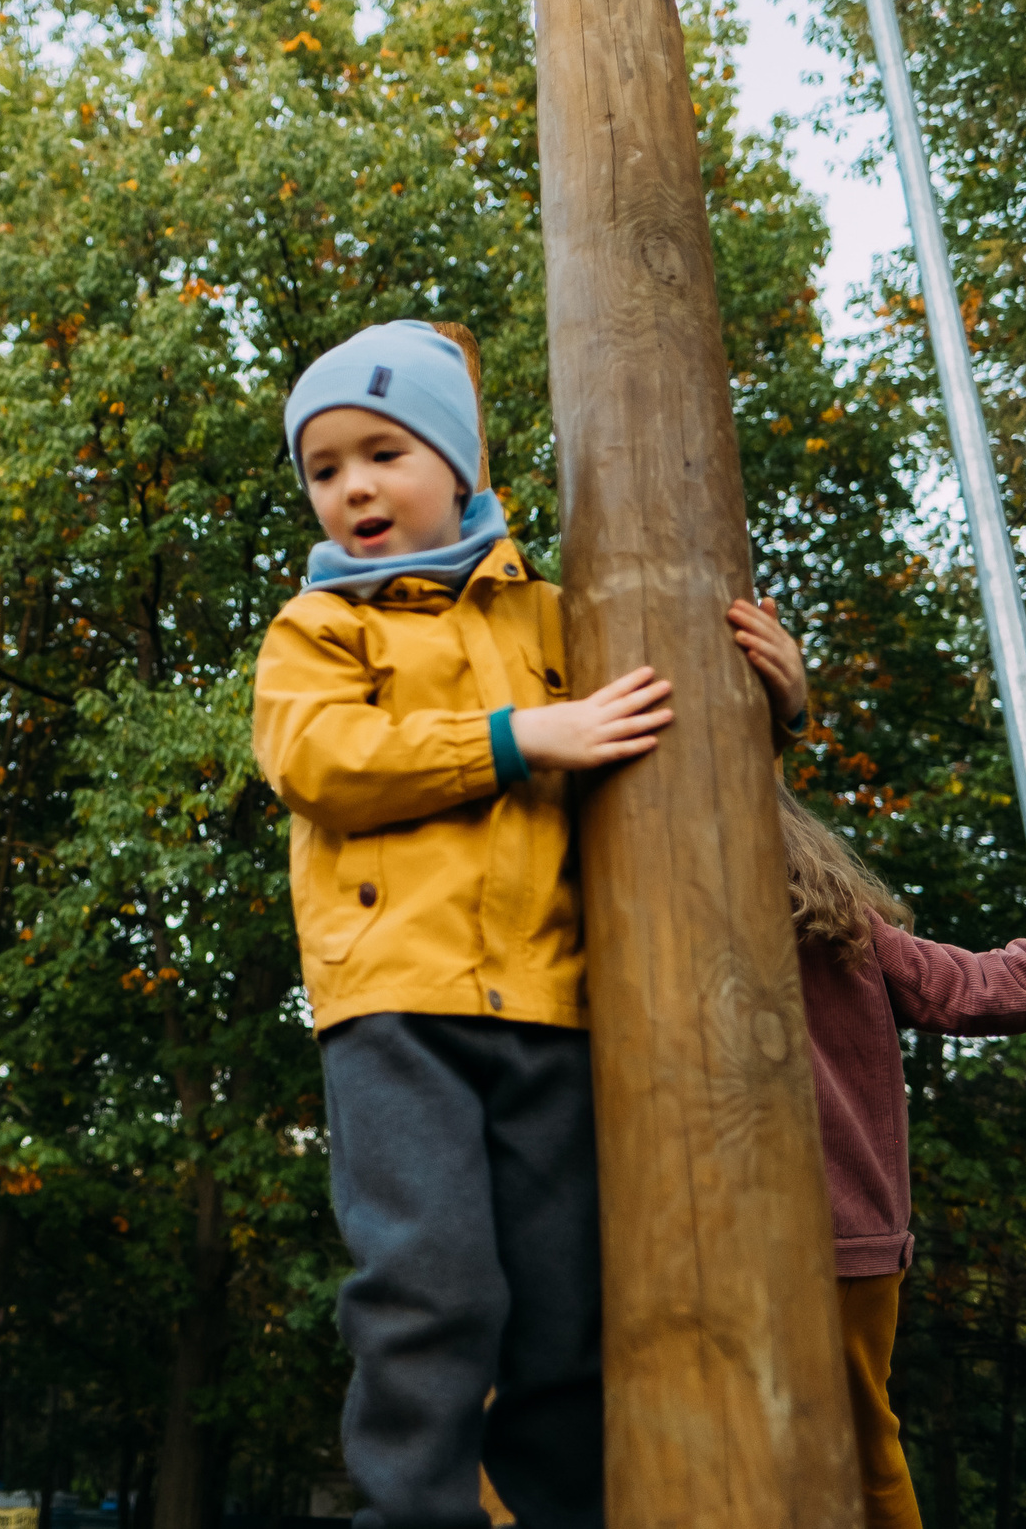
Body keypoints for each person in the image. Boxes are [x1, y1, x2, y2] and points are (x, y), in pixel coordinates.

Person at [249, 319, 810, 1529]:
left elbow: (660, 732)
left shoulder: (558, 617)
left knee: (566, 1305)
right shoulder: (320, 630)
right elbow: (317, 758)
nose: (350, 487)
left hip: (555, 1006)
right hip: (396, 1007)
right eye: (323, 468)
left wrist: (770, 699)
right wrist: (514, 738)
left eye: (381, 453)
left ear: (456, 465)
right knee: (431, 1286)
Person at [780, 785, 1026, 1529]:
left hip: (817, 1243)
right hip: (849, 1247)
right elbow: (1002, 984)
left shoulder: (824, 931)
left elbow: (997, 987)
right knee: (864, 1459)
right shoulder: (841, 922)